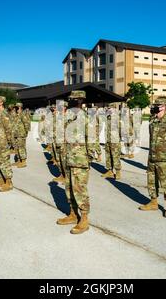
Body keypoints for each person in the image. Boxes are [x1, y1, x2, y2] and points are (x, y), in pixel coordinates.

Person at [56, 90, 95, 234]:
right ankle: (73, 214)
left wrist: (87, 160)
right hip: (68, 159)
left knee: (80, 190)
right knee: (69, 189)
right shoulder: (70, 117)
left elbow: (92, 140)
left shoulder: (86, 118)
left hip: (79, 161)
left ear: (79, 100)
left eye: (72, 99)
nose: (69, 101)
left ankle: (84, 219)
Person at [139, 97, 166, 218]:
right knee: (151, 181)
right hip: (152, 156)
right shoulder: (152, 120)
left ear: (163, 107)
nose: (154, 107)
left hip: (165, 158)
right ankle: (153, 202)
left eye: (157, 105)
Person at [102, 103, 122, 180]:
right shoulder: (108, 117)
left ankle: (117, 172)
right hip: (108, 140)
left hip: (115, 140)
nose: (108, 110)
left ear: (114, 109)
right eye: (108, 108)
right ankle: (110, 171)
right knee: (108, 155)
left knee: (115, 156)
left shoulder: (118, 118)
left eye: (110, 108)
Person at [11, 103, 29, 168]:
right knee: (17, 147)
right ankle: (19, 160)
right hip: (16, 134)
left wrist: (25, 133)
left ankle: (23, 161)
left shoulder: (22, 114)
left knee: (21, 148)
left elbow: (26, 124)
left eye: (17, 107)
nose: (15, 109)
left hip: (21, 134)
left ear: (20, 107)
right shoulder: (16, 115)